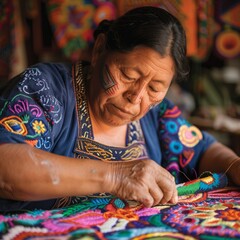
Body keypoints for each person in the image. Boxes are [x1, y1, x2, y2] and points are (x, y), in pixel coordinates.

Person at [0, 6, 239, 212]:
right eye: (127, 75)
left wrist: (236, 166)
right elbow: (5, 166)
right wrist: (115, 176)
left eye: (155, 88)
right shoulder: (44, 89)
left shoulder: (159, 115)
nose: (136, 97)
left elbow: (204, 149)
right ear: (99, 50)